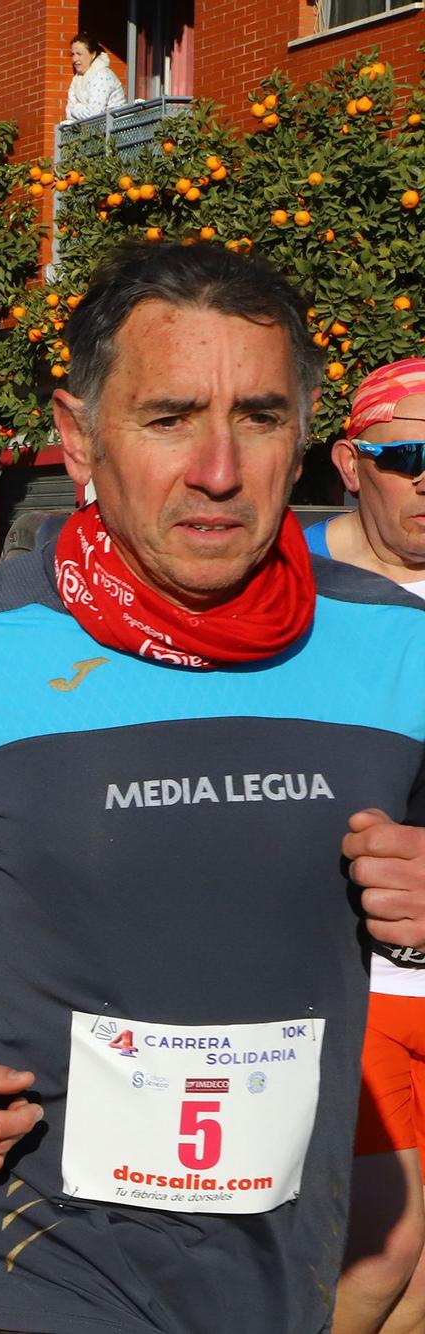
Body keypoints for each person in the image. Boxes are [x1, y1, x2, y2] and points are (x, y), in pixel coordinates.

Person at [0, 243, 425, 1334]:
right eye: (168, 416)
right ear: (79, 436)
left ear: (305, 436)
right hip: (35, 1249)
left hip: (284, 1244)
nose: (216, 467)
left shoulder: (397, 646)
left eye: (259, 416)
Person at [304, 359, 425, 1334]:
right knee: (376, 1260)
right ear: (349, 462)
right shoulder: (292, 593)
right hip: (351, 987)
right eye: (405, 456)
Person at [65, 31, 126, 123]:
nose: (74, 59)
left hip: (116, 132)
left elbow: (94, 115)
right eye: (73, 54)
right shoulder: (76, 79)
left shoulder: (103, 75)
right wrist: (79, 110)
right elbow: (68, 113)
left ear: (93, 54)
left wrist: (76, 108)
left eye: (79, 54)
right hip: (95, 132)